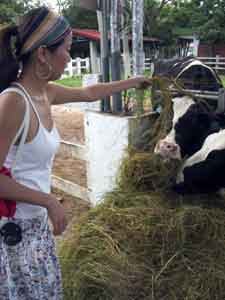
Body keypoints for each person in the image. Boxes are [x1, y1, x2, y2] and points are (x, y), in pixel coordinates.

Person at [0, 6, 151, 300]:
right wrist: (49, 201)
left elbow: (89, 94)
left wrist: (133, 82)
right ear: (43, 54)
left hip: (36, 226)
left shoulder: (46, 92)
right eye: (67, 50)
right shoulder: (13, 102)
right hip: (11, 233)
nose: (69, 57)